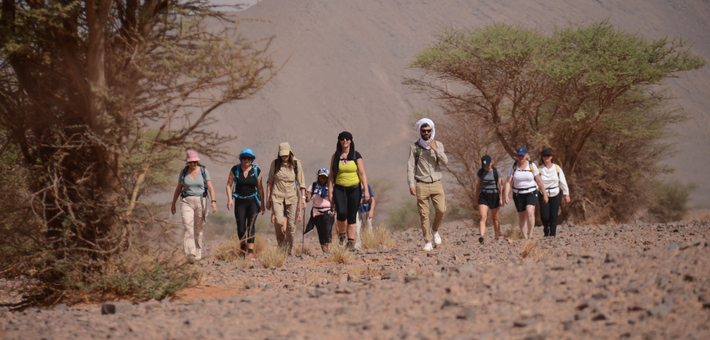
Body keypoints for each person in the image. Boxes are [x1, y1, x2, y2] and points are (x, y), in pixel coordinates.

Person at [407, 118, 448, 251]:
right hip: (421, 184)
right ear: (420, 131)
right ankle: (428, 240)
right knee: (424, 214)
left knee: (441, 210)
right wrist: (411, 184)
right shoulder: (414, 148)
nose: (426, 133)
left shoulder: (438, 145)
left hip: (436, 183)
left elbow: (445, 161)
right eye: (423, 131)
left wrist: (436, 149)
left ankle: (435, 230)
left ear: (432, 131)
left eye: (428, 131)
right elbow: (410, 166)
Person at [170, 149, 217, 264]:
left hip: (201, 201)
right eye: (191, 162)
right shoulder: (184, 172)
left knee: (199, 228)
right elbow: (178, 189)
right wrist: (173, 203)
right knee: (188, 227)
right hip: (186, 201)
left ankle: (198, 253)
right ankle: (190, 253)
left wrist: (214, 201)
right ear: (187, 162)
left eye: (195, 161)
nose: (193, 164)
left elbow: (210, 188)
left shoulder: (204, 171)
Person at [327, 131, 369, 252]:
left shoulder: (356, 155)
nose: (345, 141)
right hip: (339, 188)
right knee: (341, 213)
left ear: (351, 141)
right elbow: (331, 176)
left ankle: (350, 242)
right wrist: (330, 192)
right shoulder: (335, 156)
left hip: (354, 189)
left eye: (347, 139)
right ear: (339, 141)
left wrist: (366, 190)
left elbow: (362, 174)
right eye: (342, 139)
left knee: (352, 215)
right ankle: (341, 235)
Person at [265, 142, 306, 254]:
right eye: (282, 155)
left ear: (290, 153)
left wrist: (303, 198)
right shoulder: (275, 164)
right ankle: (281, 244)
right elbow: (269, 182)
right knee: (278, 221)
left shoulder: (296, 164)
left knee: (291, 226)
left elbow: (301, 182)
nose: (284, 157)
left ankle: (287, 249)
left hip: (292, 197)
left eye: (286, 155)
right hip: (277, 196)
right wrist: (267, 199)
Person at [226, 149, 265, 260]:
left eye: (249, 158)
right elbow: (228, 185)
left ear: (252, 159)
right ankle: (243, 248)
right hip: (239, 201)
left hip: (253, 201)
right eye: (244, 158)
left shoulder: (257, 170)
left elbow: (260, 188)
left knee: (251, 226)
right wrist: (230, 199)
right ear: (241, 158)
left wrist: (262, 204)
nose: (246, 160)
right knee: (241, 228)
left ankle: (251, 252)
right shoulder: (235, 170)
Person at [503, 146, 548, 239]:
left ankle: (530, 234)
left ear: (527, 155)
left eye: (523, 155)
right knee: (522, 216)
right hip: (518, 194)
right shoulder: (513, 167)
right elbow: (508, 182)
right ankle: (525, 237)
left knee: (530, 212)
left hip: (531, 192)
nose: (521, 157)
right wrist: (506, 195)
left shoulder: (532, 165)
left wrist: (544, 194)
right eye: (519, 155)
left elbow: (539, 180)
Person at [538, 148, 570, 237]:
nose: (546, 157)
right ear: (542, 157)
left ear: (551, 157)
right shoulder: (540, 169)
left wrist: (566, 194)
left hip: (555, 193)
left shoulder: (557, 168)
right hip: (543, 194)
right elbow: (536, 182)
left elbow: (562, 181)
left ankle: (553, 233)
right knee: (544, 215)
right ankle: (546, 228)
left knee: (554, 214)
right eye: (544, 156)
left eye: (548, 155)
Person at [305, 168, 335, 253]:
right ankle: (324, 251)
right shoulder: (313, 186)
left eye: (324, 177)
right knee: (320, 232)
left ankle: (329, 250)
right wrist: (305, 197)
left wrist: (333, 210)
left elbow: (334, 199)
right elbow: (308, 197)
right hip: (316, 212)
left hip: (328, 212)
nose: (323, 179)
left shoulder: (330, 186)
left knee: (327, 230)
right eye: (321, 177)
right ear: (318, 177)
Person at [475, 155, 503, 243]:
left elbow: (501, 185)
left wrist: (501, 198)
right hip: (483, 195)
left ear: (492, 163)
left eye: (488, 166)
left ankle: (496, 237)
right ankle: (482, 236)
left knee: (495, 219)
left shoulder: (496, 172)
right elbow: (478, 185)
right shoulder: (481, 172)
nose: (486, 168)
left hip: (494, 196)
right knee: (483, 217)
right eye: (484, 166)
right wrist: (477, 196)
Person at [355, 183, 375, 249]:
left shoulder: (367, 186)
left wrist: (371, 211)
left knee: (368, 228)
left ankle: (371, 245)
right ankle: (357, 246)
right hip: (357, 211)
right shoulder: (354, 187)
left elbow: (372, 199)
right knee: (356, 229)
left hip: (366, 210)